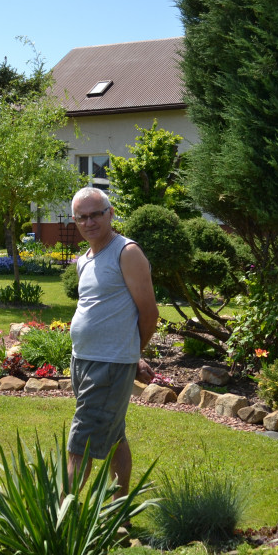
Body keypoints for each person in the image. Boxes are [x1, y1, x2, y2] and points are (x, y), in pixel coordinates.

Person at [66, 188, 159, 496]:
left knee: (81, 440)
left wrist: (131, 354)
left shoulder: (126, 252)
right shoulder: (85, 259)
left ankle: (61, 518)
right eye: (82, 216)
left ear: (111, 213)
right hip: (83, 359)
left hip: (108, 364)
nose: (89, 222)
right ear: (75, 220)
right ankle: (120, 507)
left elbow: (149, 312)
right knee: (114, 433)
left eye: (96, 214)